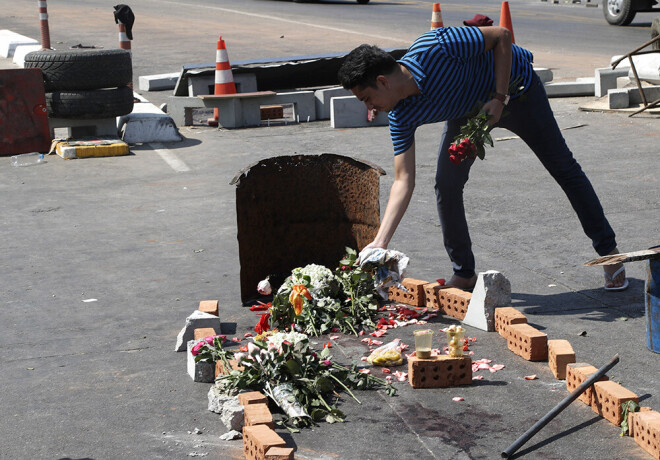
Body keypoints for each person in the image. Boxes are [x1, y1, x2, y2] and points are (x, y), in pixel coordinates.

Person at [338, 26, 628, 292]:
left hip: (516, 92)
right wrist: (381, 242)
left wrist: (499, 97)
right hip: (468, 114)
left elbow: (501, 35)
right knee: (446, 185)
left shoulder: (435, 47)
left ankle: (609, 254)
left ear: (382, 81)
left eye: (366, 98)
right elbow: (403, 179)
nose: (370, 108)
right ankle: (464, 273)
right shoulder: (401, 114)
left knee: (563, 167)